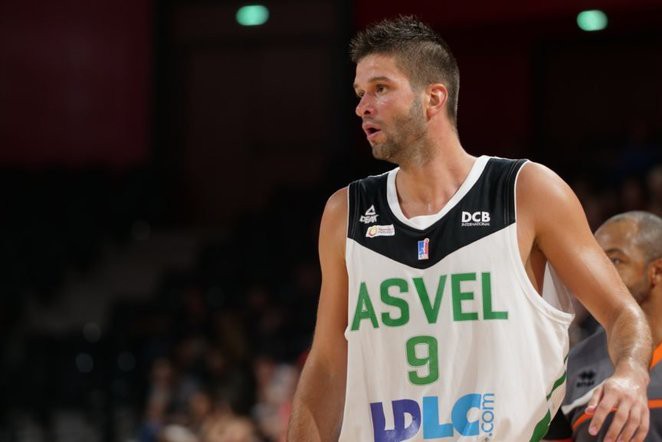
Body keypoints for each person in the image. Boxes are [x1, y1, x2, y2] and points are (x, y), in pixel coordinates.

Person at [287, 16, 652, 441]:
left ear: (433, 98)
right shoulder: (346, 212)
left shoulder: (526, 192)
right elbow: (328, 365)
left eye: (380, 88)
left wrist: (630, 374)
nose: (362, 107)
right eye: (360, 93)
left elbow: (623, 314)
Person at [545, 211, 662, 441]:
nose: (600, 273)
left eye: (615, 260)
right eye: (596, 262)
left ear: (656, 271)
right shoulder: (569, 364)